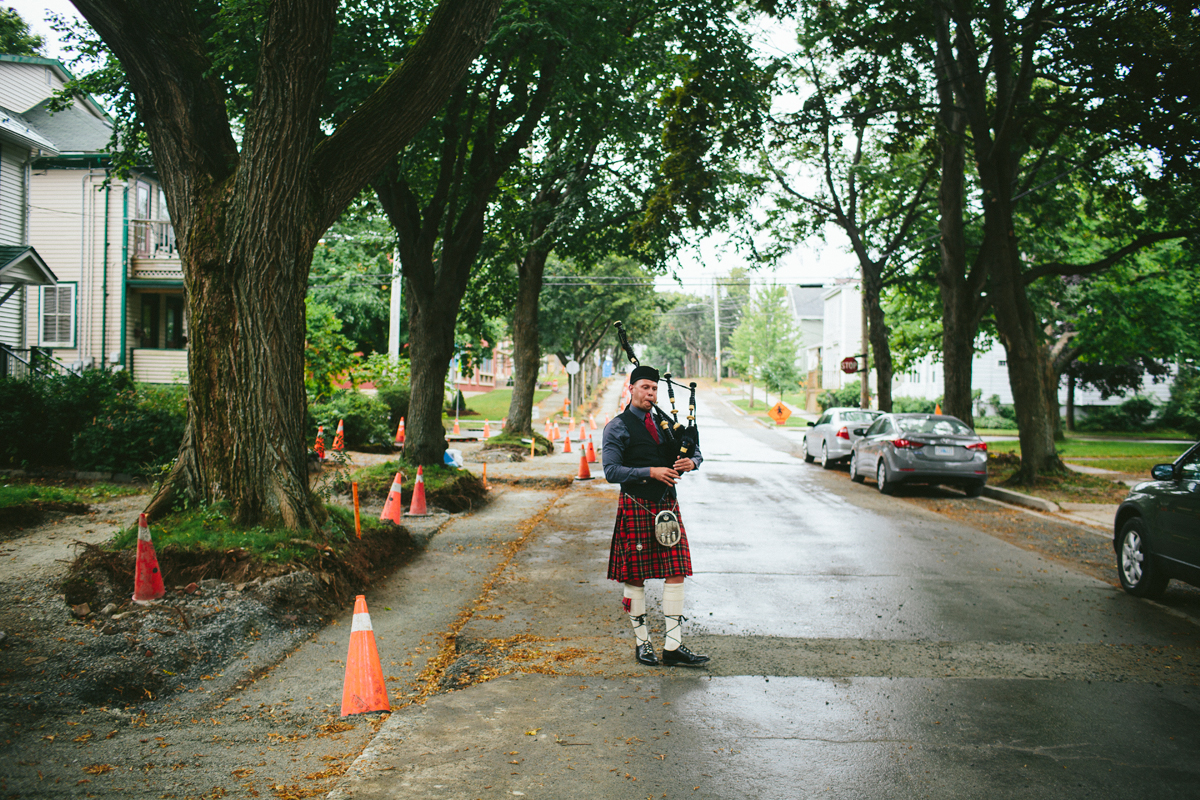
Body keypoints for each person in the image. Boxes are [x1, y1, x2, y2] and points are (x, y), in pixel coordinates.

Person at [601, 364, 710, 667]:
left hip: (667, 508)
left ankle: (673, 647)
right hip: (636, 504)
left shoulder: (664, 422)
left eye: (654, 389)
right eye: (645, 387)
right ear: (631, 389)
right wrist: (650, 471)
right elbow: (611, 471)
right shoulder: (617, 427)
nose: (650, 393)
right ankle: (643, 643)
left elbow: (692, 448)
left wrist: (693, 462)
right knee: (635, 575)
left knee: (676, 570)